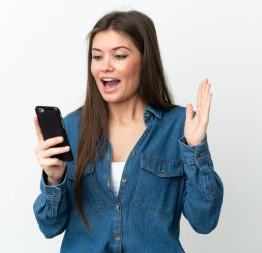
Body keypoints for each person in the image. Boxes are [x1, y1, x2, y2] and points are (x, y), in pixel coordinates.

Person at [33, 10, 223, 253]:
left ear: (145, 60)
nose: (105, 67)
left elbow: (204, 221)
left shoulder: (179, 127)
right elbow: (49, 227)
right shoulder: (72, 128)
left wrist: (196, 151)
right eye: (97, 57)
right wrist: (54, 178)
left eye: (119, 56)